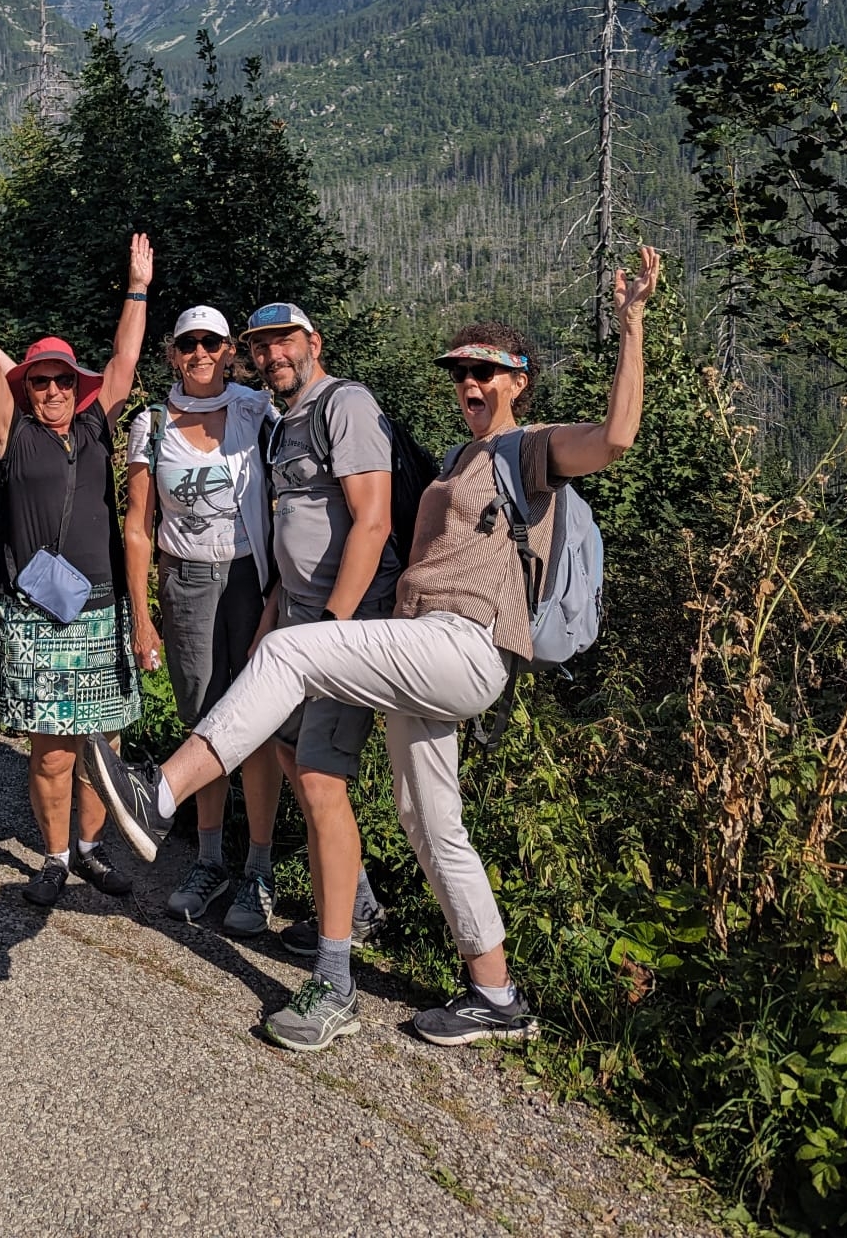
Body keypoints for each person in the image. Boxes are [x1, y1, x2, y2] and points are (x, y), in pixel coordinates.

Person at [84, 249, 661, 1052]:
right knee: (428, 818)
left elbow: (617, 438)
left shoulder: (528, 449)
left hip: (464, 644)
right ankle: (495, 993)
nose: (471, 383)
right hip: (421, 648)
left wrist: (631, 326)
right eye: (462, 371)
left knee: (292, 658)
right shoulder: (461, 457)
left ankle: (162, 795)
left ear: (520, 381)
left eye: (489, 373)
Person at [0, 221, 150, 907]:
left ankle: (93, 850)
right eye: (39, 382)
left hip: (99, 606)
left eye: (62, 381)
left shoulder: (98, 426)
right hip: (38, 611)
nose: (52, 392)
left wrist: (137, 289)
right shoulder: (15, 437)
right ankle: (54, 856)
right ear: (27, 389)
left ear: (77, 384)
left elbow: (125, 360)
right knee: (53, 749)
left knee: (103, 746)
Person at [227, 303, 399, 1041]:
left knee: (323, 781)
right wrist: (276, 624)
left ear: (313, 343)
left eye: (283, 342)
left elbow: (374, 520)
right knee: (295, 754)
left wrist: (330, 630)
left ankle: (335, 984)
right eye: (261, 347)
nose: (272, 356)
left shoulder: (345, 404)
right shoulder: (281, 423)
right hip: (299, 616)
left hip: (344, 623)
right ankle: (354, 906)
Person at [124, 306, 282, 934]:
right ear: (174, 354)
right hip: (184, 581)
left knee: (261, 719)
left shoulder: (255, 410)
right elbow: (138, 527)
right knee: (205, 720)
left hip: (249, 577)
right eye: (188, 343)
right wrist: (142, 615)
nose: (200, 352)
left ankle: (261, 868)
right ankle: (211, 860)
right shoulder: (152, 422)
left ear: (228, 350)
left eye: (211, 342)